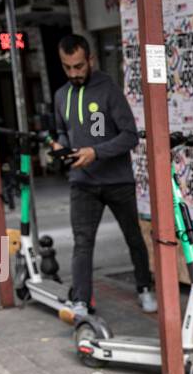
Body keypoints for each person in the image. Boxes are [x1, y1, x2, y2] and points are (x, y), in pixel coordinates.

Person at [51, 34, 156, 315]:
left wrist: (95, 152)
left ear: (91, 60)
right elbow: (62, 129)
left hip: (118, 181)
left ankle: (145, 287)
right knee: (82, 243)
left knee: (133, 238)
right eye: (67, 67)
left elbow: (130, 137)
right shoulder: (61, 96)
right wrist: (59, 144)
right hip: (82, 183)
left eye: (79, 66)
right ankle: (82, 302)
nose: (74, 73)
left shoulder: (109, 90)